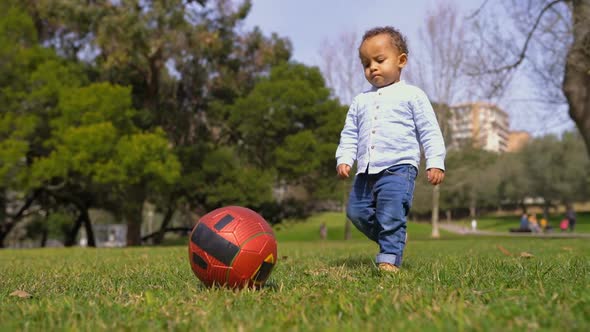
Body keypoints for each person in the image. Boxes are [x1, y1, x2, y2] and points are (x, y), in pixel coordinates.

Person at [335, 26, 446, 273]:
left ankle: (389, 259)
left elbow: (429, 130)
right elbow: (350, 133)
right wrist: (345, 157)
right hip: (365, 170)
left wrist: (435, 161)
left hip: (399, 168)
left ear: (401, 61)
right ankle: (393, 239)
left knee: (391, 212)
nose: (372, 67)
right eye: (366, 63)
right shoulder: (360, 100)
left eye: (379, 60)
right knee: (356, 212)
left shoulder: (412, 95)